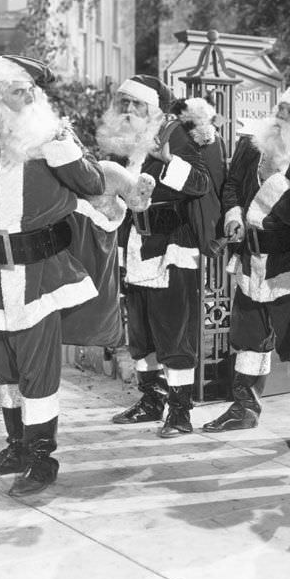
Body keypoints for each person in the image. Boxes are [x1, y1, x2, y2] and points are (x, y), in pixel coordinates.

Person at [0, 55, 107, 496]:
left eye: (32, 89)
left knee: (37, 367)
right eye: (19, 88)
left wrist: (61, 145)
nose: (30, 96)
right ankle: (17, 447)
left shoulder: (51, 135)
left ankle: (43, 457)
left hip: (41, 271)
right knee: (1, 364)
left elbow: (94, 184)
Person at [202, 85, 290, 452]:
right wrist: (234, 214)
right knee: (249, 337)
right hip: (251, 259)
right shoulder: (252, 143)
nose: (281, 117)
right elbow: (231, 186)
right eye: (281, 108)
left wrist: (276, 181)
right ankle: (244, 407)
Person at [97, 75, 214, 438]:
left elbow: (201, 184)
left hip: (172, 248)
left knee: (174, 333)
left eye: (137, 104)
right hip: (134, 246)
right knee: (142, 333)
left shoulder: (176, 134)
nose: (128, 110)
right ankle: (152, 400)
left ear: (155, 108)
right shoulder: (120, 142)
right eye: (124, 103)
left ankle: (180, 412)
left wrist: (165, 163)